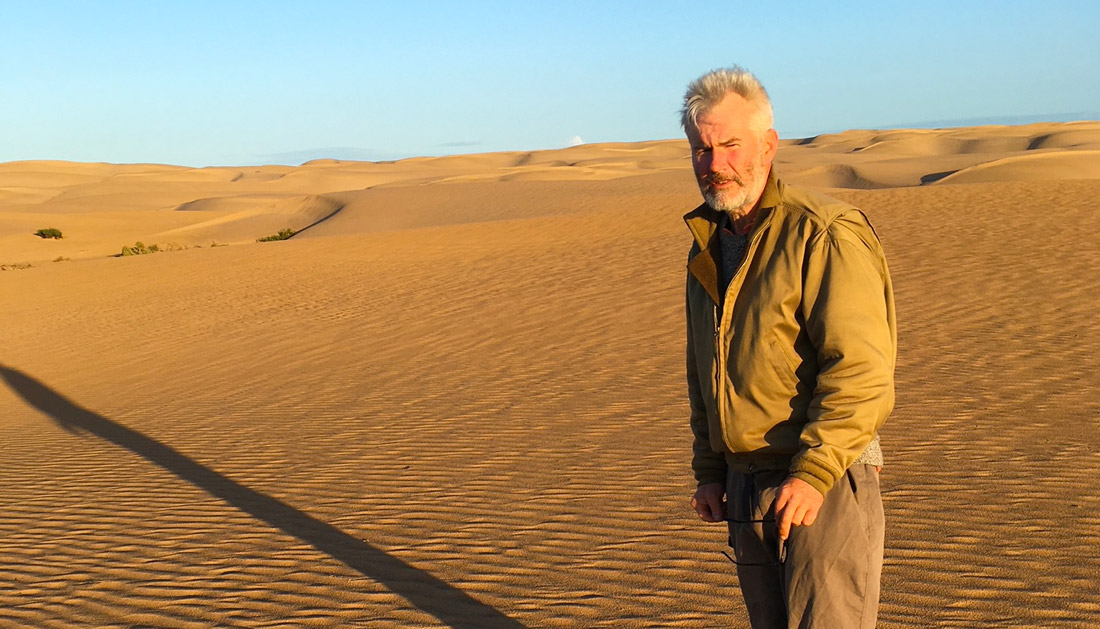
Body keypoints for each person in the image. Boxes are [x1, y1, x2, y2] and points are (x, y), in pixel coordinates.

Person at [681, 66, 896, 628]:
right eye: (702, 149)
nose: (715, 163)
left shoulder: (822, 233)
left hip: (820, 482)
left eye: (731, 144)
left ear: (768, 145)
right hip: (743, 485)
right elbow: (704, 370)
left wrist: (814, 472)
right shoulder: (707, 248)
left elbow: (862, 372)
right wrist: (709, 468)